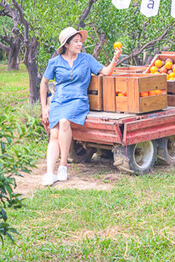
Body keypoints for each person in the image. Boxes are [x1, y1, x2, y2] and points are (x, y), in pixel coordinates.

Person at [40, 27, 121, 186]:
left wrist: (115, 58)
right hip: (59, 101)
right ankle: (50, 172)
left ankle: (63, 166)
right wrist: (44, 107)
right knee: (54, 134)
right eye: (76, 42)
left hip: (78, 100)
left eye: (80, 41)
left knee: (64, 122)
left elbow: (106, 72)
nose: (80, 44)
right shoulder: (55, 62)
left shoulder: (86, 59)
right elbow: (43, 83)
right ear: (66, 45)